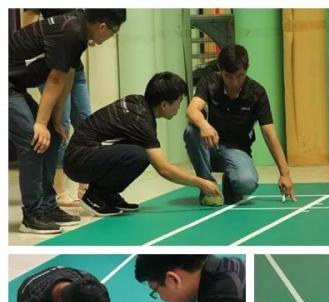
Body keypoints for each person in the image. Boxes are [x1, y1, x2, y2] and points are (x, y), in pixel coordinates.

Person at [9, 9, 127, 233]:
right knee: (33, 140)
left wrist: (55, 121)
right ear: (102, 26)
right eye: (114, 32)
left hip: (15, 85)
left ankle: (48, 206)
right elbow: (54, 80)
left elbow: (67, 77)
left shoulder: (80, 31)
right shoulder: (72, 31)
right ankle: (32, 214)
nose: (111, 37)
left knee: (52, 138)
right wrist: (41, 124)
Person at [64, 72, 222, 216]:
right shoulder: (141, 120)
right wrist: (201, 183)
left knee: (140, 151)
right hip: (78, 160)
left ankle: (107, 194)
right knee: (140, 155)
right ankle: (96, 196)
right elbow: (164, 169)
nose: (179, 107)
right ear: (164, 105)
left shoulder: (139, 103)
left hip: (83, 154)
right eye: (178, 102)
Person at [184, 44, 296, 206]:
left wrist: (284, 173)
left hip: (236, 149)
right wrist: (204, 124)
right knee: (191, 130)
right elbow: (192, 110)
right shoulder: (209, 82)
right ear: (220, 69)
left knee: (247, 183)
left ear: (247, 69)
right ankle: (207, 186)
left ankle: (231, 180)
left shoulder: (257, 93)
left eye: (240, 76)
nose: (234, 82)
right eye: (229, 76)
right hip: (210, 145)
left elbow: (269, 133)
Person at [22, 8, 92, 209]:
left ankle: (85, 186)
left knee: (86, 122)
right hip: (54, 63)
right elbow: (29, 27)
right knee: (61, 125)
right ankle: (58, 190)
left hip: (74, 65)